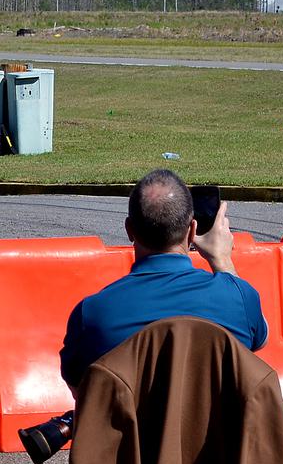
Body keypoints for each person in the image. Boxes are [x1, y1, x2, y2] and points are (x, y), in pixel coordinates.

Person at [60, 168, 268, 393]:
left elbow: (83, 393)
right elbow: (259, 341)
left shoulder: (92, 313)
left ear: (129, 230)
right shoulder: (238, 298)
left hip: (133, 428)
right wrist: (222, 259)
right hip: (217, 429)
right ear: (192, 231)